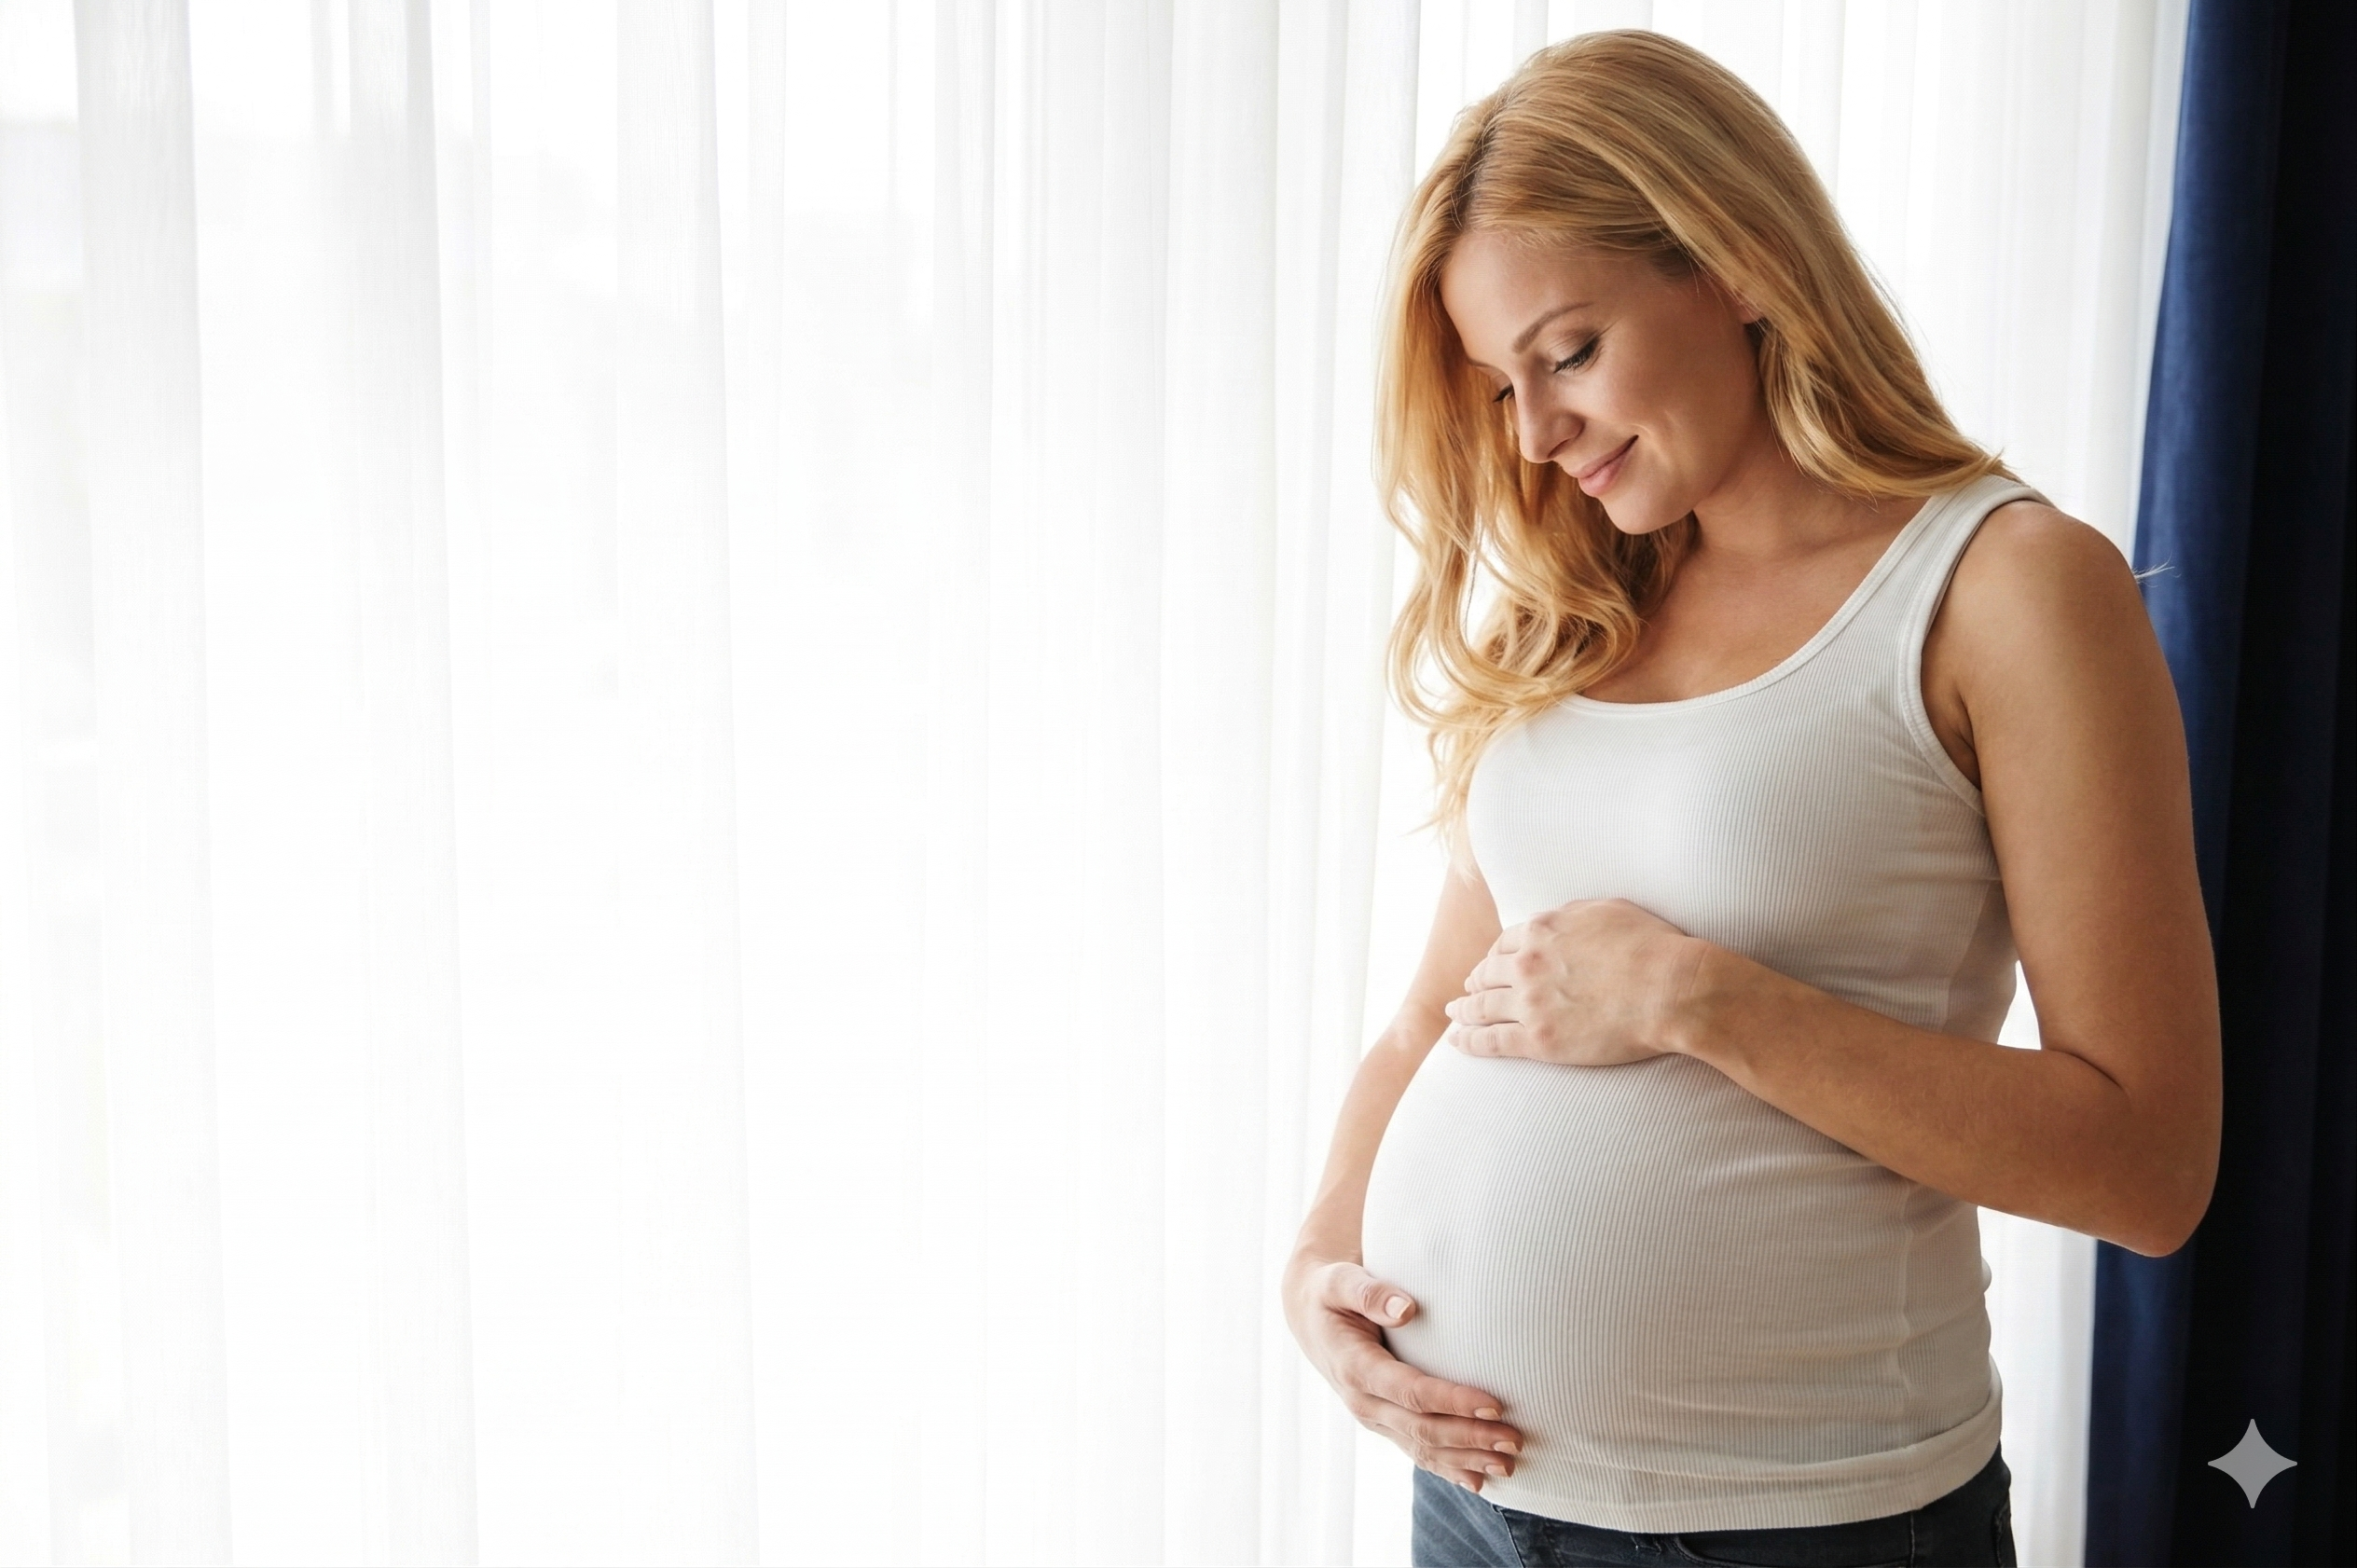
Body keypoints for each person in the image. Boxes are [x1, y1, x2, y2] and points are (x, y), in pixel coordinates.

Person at [1278, 30, 2221, 1568]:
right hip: (1474, 1502)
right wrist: (1323, 1257)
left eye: (1567, 352)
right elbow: (1432, 1019)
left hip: (1797, 1523)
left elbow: (2150, 1163)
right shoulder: (1579, 605)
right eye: (1498, 383)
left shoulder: (2004, 589)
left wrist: (1701, 999)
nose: (1532, 433)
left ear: (1738, 263)